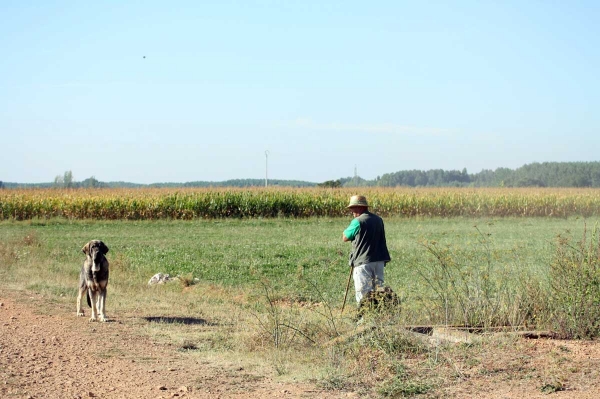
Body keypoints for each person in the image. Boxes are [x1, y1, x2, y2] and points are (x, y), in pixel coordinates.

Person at [342, 195, 391, 307]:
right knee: (378, 291)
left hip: (363, 262)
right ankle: (378, 316)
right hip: (379, 261)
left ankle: (365, 319)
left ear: (359, 208)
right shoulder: (378, 220)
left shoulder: (357, 221)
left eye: (352, 208)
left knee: (363, 293)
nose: (351, 211)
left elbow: (345, 237)